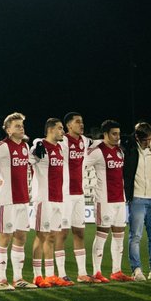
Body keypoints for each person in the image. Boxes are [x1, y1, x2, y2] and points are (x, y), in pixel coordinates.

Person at [0, 112, 34, 291]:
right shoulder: (1, 147)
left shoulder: (25, 146)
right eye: (17, 125)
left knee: (21, 236)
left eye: (22, 125)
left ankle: (18, 278)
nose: (21, 128)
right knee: (5, 236)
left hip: (23, 199)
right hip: (7, 199)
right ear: (8, 130)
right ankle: (1, 278)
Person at [123, 120, 151, 281]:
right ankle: (136, 270)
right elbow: (125, 140)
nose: (147, 142)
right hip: (137, 198)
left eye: (149, 139)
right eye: (144, 139)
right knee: (135, 236)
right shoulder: (130, 148)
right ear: (137, 137)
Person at [87, 119, 132, 282]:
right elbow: (80, 164)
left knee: (119, 236)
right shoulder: (98, 151)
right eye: (114, 134)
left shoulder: (120, 151)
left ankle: (116, 271)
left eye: (119, 134)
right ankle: (97, 271)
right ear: (105, 134)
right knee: (102, 235)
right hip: (104, 199)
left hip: (120, 199)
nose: (117, 137)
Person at [30, 118, 73, 287]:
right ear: (50, 130)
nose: (63, 131)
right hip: (44, 198)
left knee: (53, 237)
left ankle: (50, 275)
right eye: (60, 128)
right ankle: (37, 276)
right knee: (41, 236)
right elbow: (28, 160)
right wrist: (37, 143)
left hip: (58, 199)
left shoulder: (60, 148)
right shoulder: (40, 147)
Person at [59, 111, 91, 282]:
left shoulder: (84, 141)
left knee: (79, 232)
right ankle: (61, 273)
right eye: (78, 122)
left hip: (79, 193)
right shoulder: (62, 140)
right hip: (65, 194)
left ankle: (82, 273)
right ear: (68, 126)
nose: (81, 124)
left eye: (82, 121)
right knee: (62, 234)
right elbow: (42, 141)